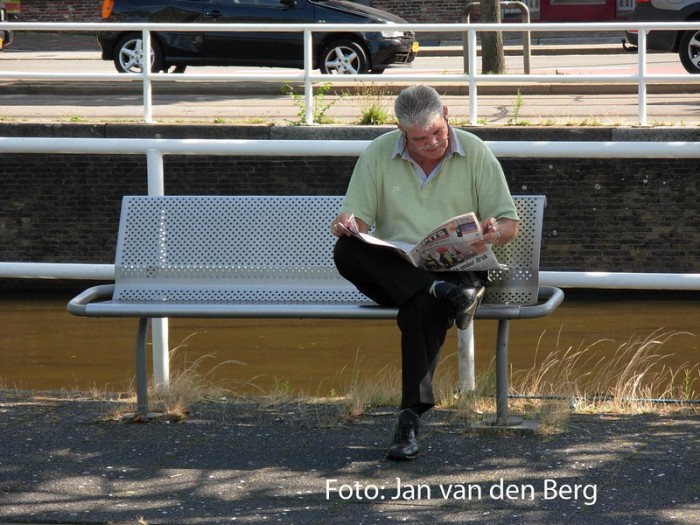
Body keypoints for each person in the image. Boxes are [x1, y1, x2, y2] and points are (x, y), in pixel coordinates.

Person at [331, 85, 519, 461]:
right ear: (400, 130)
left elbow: (510, 225)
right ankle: (439, 291)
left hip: (459, 269)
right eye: (419, 139)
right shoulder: (378, 153)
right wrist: (349, 224)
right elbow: (358, 220)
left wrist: (493, 231)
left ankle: (408, 420)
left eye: (436, 132)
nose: (431, 143)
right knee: (346, 249)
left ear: (447, 114)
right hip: (399, 268)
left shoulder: (476, 152)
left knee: (423, 303)